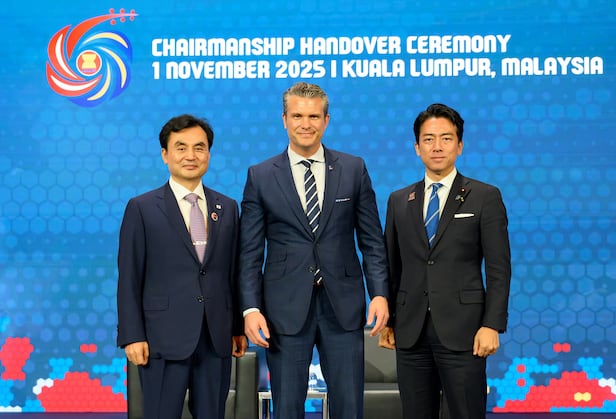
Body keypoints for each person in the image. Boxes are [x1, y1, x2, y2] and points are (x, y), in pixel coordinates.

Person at [238, 82, 389, 419]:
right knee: (287, 408)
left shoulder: (353, 169)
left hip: (343, 306)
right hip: (283, 309)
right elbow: (249, 253)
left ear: (326, 120)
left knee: (349, 407)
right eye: (297, 116)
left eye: (313, 116)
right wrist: (250, 308)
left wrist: (379, 293)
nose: (305, 124)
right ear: (284, 120)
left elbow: (371, 240)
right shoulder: (260, 176)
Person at [380, 103, 511, 419]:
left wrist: (491, 324)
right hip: (411, 333)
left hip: (464, 332)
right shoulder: (399, 200)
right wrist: (390, 321)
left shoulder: (485, 196)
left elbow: (498, 268)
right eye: (428, 139)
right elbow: (391, 265)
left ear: (460, 145)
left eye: (446, 138)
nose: (437, 147)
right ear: (417, 147)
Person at [116, 114, 247, 419]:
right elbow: (129, 277)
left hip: (215, 337)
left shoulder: (227, 207)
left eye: (199, 148)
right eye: (181, 147)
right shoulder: (142, 208)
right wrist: (132, 335)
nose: (191, 155)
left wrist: (237, 328)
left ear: (209, 154)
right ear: (165, 155)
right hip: (161, 338)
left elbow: (234, 273)